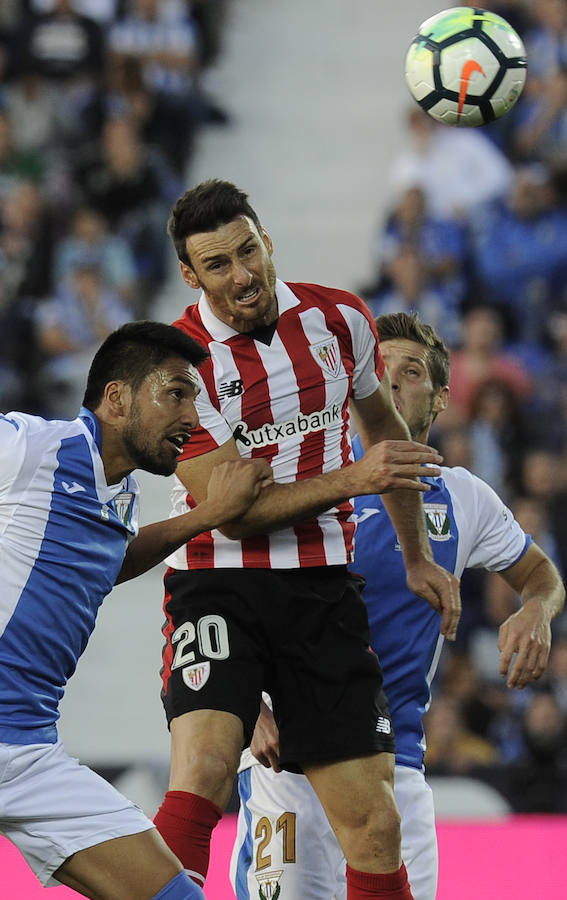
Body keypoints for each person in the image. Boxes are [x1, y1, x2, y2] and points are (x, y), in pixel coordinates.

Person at [153, 179, 461, 900]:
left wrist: (414, 553)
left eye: (248, 251)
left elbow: (385, 433)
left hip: (321, 588)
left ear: (265, 240)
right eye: (219, 264)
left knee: (376, 827)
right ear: (189, 275)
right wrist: (353, 479)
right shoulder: (178, 365)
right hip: (216, 580)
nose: (242, 275)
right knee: (200, 775)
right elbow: (233, 512)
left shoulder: (338, 318)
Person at [230, 311, 565, 900]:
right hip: (290, 764)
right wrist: (246, 704)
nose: (389, 382)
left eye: (410, 372)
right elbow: (226, 593)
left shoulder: (464, 498)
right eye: (378, 369)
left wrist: (536, 609)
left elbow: (541, 575)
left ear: (439, 399)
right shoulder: (308, 478)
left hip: (397, 766)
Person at [0, 319, 273, 900]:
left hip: (27, 749)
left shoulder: (118, 491)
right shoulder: (30, 447)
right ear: (118, 399)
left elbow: (112, 559)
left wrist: (206, 514)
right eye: (176, 392)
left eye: (196, 397)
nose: (194, 418)